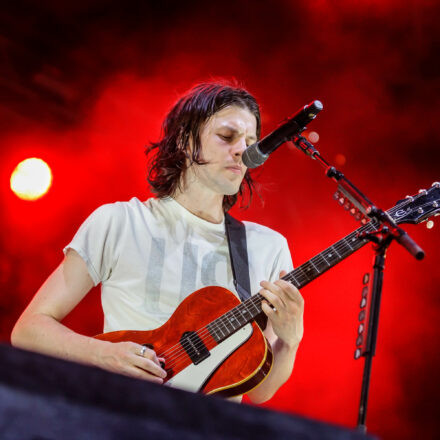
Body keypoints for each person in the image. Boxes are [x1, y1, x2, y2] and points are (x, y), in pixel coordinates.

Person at [11, 81, 304, 404]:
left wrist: (288, 342)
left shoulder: (267, 247)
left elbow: (259, 390)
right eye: (227, 137)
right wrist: (102, 354)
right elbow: (28, 330)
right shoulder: (120, 221)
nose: (242, 151)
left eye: (250, 142)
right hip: (122, 417)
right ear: (184, 138)